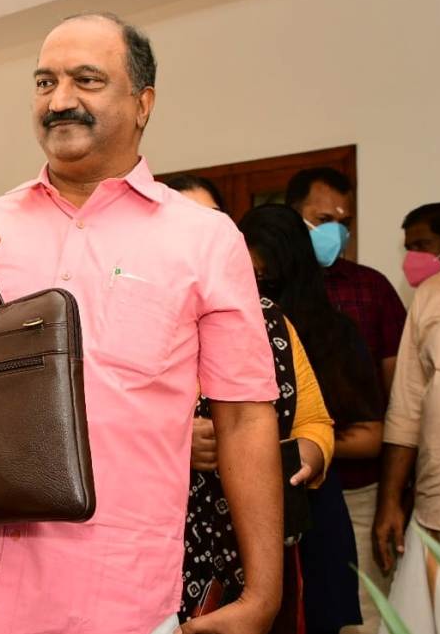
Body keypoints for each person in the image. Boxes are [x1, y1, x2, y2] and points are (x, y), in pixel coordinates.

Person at [0, 13, 284, 634]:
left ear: (143, 103)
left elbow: (245, 417)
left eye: (86, 80)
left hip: (113, 605)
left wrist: (263, 595)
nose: (60, 100)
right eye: (45, 82)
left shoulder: (205, 239)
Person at [179, 186, 334, 630]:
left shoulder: (267, 318)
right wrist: (175, 441)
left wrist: (306, 454)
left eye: (213, 219)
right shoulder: (127, 318)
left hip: (254, 549)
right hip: (154, 550)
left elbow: (315, 421)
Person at [238, 204, 384, 634]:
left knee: (315, 614)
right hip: (239, 509)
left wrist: (307, 448)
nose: (258, 292)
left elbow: (370, 434)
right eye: (248, 276)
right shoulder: (226, 325)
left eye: (267, 279)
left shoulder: (334, 333)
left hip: (313, 501)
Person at [286, 168, 405, 634]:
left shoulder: (371, 288)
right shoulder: (267, 290)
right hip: (280, 490)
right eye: (323, 219)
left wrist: (395, 492)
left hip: (357, 487)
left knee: (359, 614)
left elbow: (399, 396)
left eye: (344, 221)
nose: (335, 230)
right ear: (294, 216)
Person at [372, 202, 440, 634]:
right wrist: (389, 502)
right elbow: (405, 410)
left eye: (423, 245)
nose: (414, 257)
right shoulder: (433, 294)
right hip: (438, 509)